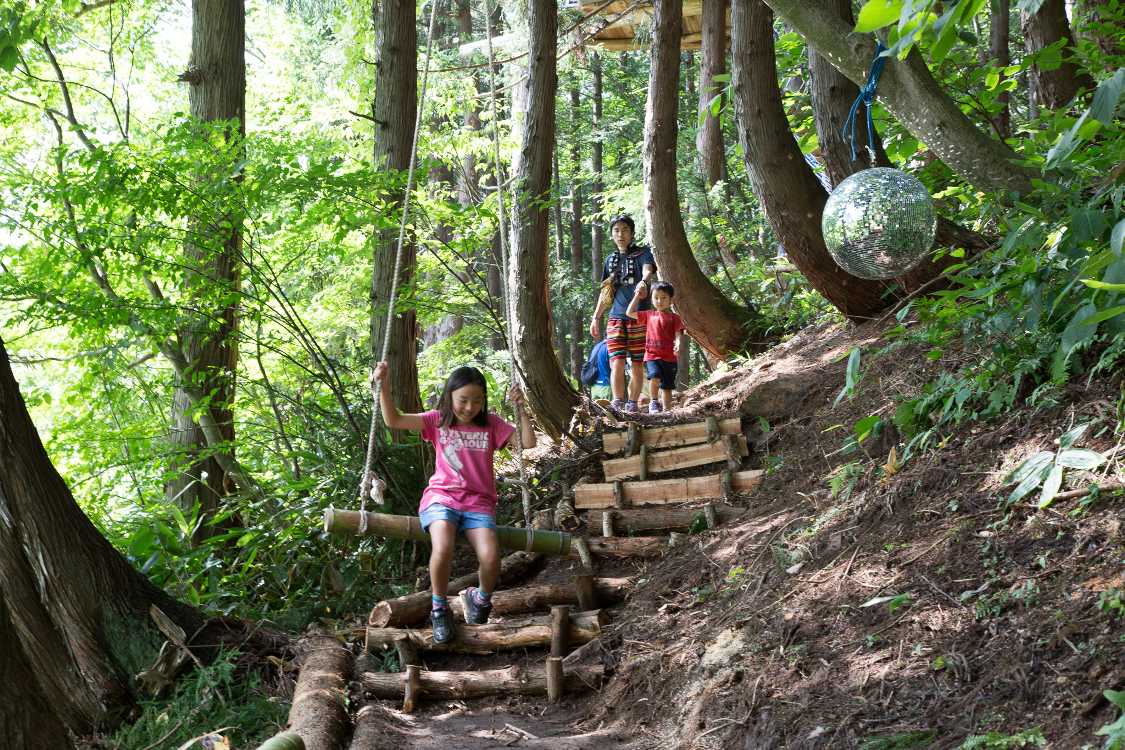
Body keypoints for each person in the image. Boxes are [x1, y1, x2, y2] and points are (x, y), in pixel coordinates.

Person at [372, 362, 536, 644]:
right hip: (441, 498)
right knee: (444, 546)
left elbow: (528, 442)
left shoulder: (491, 424)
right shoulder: (438, 420)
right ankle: (439, 608)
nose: (469, 407)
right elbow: (394, 420)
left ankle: (479, 599)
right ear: (450, 396)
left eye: (476, 401)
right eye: (463, 400)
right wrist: (383, 385)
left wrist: (521, 409)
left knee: (490, 557)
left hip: (478, 502)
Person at [589, 214, 657, 413]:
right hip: (616, 318)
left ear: (632, 233)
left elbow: (647, 270)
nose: (621, 234)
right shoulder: (611, 260)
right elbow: (606, 292)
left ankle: (633, 403)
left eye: (625, 230)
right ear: (612, 234)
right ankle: (617, 402)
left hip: (639, 317)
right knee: (616, 360)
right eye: (617, 230)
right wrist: (596, 317)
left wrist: (644, 281)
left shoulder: (643, 253)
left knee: (636, 362)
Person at [626, 280, 686, 414]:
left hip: (670, 358)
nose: (659, 301)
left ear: (671, 300)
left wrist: (678, 343)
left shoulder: (675, 318)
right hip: (652, 355)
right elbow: (629, 312)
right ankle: (654, 402)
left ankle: (667, 410)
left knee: (667, 386)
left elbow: (678, 333)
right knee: (654, 376)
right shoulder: (649, 314)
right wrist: (637, 295)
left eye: (664, 298)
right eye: (656, 297)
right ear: (652, 299)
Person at [585, 337, 612, 401]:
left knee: (596, 410)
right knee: (609, 410)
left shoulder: (597, 346)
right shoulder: (611, 347)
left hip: (594, 387)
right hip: (606, 386)